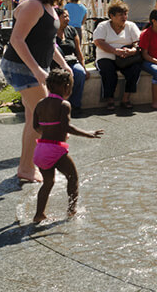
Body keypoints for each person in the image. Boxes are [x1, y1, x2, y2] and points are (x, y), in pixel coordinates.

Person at [1, 0, 73, 183]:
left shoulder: (48, 6)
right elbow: (17, 40)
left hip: (34, 68)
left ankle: (27, 167)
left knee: (34, 118)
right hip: (21, 68)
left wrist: (63, 64)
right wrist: (37, 70)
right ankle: (36, 166)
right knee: (48, 117)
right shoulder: (33, 5)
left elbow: (48, 42)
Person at [32, 69, 104, 223]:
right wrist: (88, 133)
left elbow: (36, 126)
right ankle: (72, 211)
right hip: (55, 150)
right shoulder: (64, 104)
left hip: (40, 150)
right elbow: (67, 127)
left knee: (48, 183)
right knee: (73, 177)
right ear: (66, 87)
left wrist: (51, 131)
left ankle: (39, 214)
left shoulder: (40, 103)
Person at [92, 1, 142, 111]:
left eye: (125, 14)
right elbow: (98, 42)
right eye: (120, 15)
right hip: (106, 56)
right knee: (108, 71)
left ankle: (126, 98)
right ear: (112, 16)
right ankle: (110, 99)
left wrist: (132, 50)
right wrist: (115, 51)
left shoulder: (131, 26)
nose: (124, 17)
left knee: (135, 69)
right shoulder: (103, 26)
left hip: (126, 58)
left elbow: (138, 42)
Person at [55, 8, 87, 115]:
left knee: (80, 73)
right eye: (64, 16)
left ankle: (75, 105)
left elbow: (78, 51)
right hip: (56, 63)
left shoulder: (72, 30)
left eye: (68, 16)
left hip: (71, 61)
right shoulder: (50, 32)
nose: (67, 19)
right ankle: (59, 105)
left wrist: (84, 67)